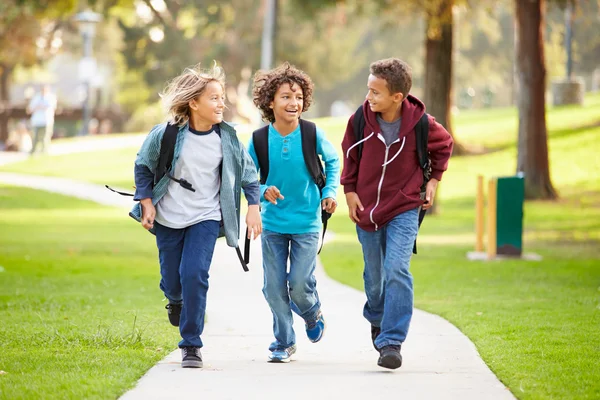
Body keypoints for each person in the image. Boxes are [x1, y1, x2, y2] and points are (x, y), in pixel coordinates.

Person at [131, 63, 262, 368]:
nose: (221, 104)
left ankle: (191, 344)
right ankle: (175, 300)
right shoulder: (165, 134)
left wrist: (253, 206)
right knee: (172, 280)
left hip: (206, 216)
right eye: (214, 98)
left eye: (222, 98)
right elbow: (143, 166)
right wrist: (146, 202)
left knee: (195, 275)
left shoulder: (227, 138)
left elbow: (249, 174)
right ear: (193, 103)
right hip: (168, 217)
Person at [341, 58, 453, 369]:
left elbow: (444, 145)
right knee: (374, 278)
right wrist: (350, 192)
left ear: (397, 97)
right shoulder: (360, 121)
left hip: (404, 206)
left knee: (397, 268)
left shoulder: (421, 124)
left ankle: (391, 341)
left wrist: (433, 181)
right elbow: (349, 155)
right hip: (366, 210)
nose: (369, 97)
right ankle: (378, 317)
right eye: (368, 90)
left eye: (376, 92)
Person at [248, 62, 340, 363]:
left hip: (307, 222)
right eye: (286, 96)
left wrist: (329, 193)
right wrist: (262, 192)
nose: (294, 102)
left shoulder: (312, 133)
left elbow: (333, 162)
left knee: (299, 283)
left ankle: (312, 313)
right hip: (273, 223)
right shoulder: (259, 139)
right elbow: (247, 176)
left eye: (298, 96)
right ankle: (284, 342)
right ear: (270, 102)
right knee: (273, 287)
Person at [27, 85, 57, 154]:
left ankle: (44, 151)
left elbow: (50, 107)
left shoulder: (51, 97)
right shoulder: (36, 97)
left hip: (46, 121)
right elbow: (30, 109)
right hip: (36, 121)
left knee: (45, 138)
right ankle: (33, 151)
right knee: (34, 137)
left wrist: (39, 107)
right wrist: (39, 107)